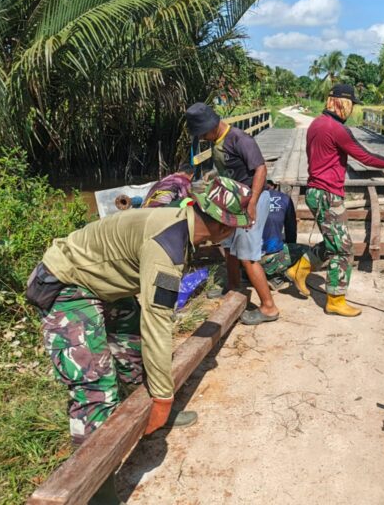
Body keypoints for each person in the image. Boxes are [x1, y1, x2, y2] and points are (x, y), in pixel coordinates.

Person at [26, 176, 249, 503]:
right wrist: (163, 396)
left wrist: (160, 394)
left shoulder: (182, 223)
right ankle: (96, 490)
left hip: (106, 285)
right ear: (223, 228)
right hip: (67, 285)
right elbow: (157, 320)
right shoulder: (168, 246)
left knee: (133, 357)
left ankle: (143, 419)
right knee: (95, 391)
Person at [285, 84, 384, 316]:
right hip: (327, 194)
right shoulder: (336, 128)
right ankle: (335, 300)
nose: (352, 110)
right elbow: (364, 156)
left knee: (335, 242)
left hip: (317, 191)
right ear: (342, 103)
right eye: (351, 105)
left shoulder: (316, 123)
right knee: (343, 250)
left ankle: (300, 268)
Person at [185, 102, 277, 325]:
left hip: (251, 200)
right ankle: (233, 286)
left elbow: (260, 169)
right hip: (232, 201)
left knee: (247, 254)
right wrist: (213, 175)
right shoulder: (217, 141)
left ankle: (269, 307)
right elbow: (230, 167)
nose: (203, 138)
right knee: (228, 245)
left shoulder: (240, 139)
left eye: (203, 133)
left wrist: (253, 202)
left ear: (212, 126)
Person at [260, 179, 305, 291]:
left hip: (248, 259)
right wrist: (290, 246)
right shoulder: (284, 198)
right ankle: (275, 277)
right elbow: (291, 229)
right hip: (268, 258)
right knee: (305, 251)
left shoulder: (249, 197)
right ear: (273, 186)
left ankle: (249, 274)